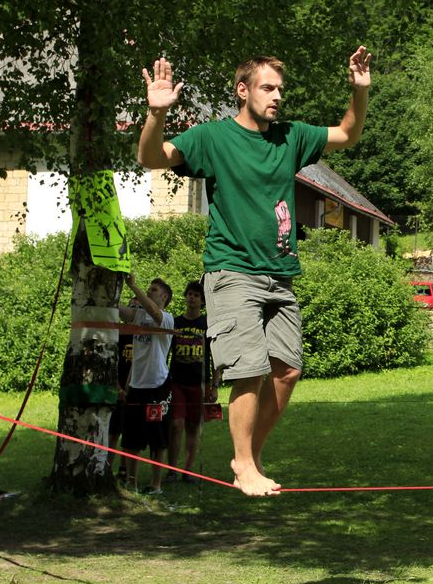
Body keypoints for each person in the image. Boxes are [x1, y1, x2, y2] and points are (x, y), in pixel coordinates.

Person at [137, 47, 372, 496]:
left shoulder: (290, 137)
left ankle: (251, 454)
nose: (277, 96)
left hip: (279, 275)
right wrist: (155, 114)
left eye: (280, 89)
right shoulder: (213, 138)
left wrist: (359, 93)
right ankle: (243, 464)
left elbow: (348, 133)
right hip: (231, 272)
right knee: (250, 368)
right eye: (268, 87)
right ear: (242, 91)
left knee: (286, 371)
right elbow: (151, 157)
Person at [119, 275, 175, 494]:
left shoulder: (167, 318)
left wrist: (133, 285)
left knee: (157, 438)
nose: (149, 292)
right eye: (149, 289)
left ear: (165, 296)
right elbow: (121, 311)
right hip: (137, 385)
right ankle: (131, 483)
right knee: (132, 438)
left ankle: (156, 485)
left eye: (154, 290)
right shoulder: (139, 315)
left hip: (157, 385)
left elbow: (154, 313)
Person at [166, 281, 214, 483]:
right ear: (185, 297)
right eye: (190, 294)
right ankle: (171, 470)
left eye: (196, 295)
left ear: (202, 301)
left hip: (199, 383)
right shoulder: (175, 323)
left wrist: (215, 385)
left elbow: (215, 357)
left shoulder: (207, 325)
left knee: (193, 427)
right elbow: (165, 352)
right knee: (176, 425)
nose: (192, 298)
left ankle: (188, 471)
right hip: (177, 381)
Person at [109, 296, 138, 479]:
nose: (133, 309)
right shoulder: (116, 333)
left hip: (135, 389)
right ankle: (106, 467)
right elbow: (109, 361)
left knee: (129, 434)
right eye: (131, 306)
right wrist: (118, 388)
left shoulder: (143, 335)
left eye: (137, 307)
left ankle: (123, 469)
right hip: (116, 389)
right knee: (113, 433)